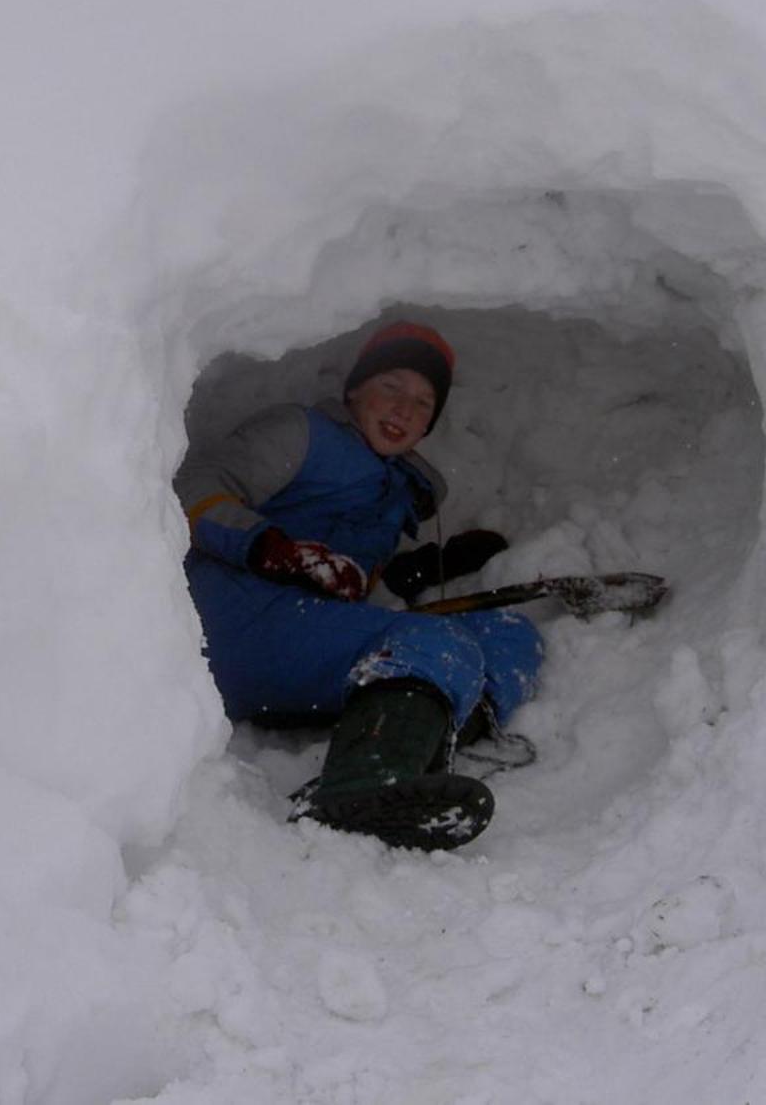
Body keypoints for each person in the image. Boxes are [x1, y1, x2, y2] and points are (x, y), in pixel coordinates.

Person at [174, 321, 544, 851]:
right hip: (226, 621)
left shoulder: (398, 496)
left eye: (422, 402)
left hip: (298, 637)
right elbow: (192, 486)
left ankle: (424, 739)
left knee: (508, 634)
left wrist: (424, 567)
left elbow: (353, 585)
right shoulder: (302, 434)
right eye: (391, 387)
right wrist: (269, 547)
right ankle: (361, 785)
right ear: (355, 390)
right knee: (433, 645)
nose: (403, 410)